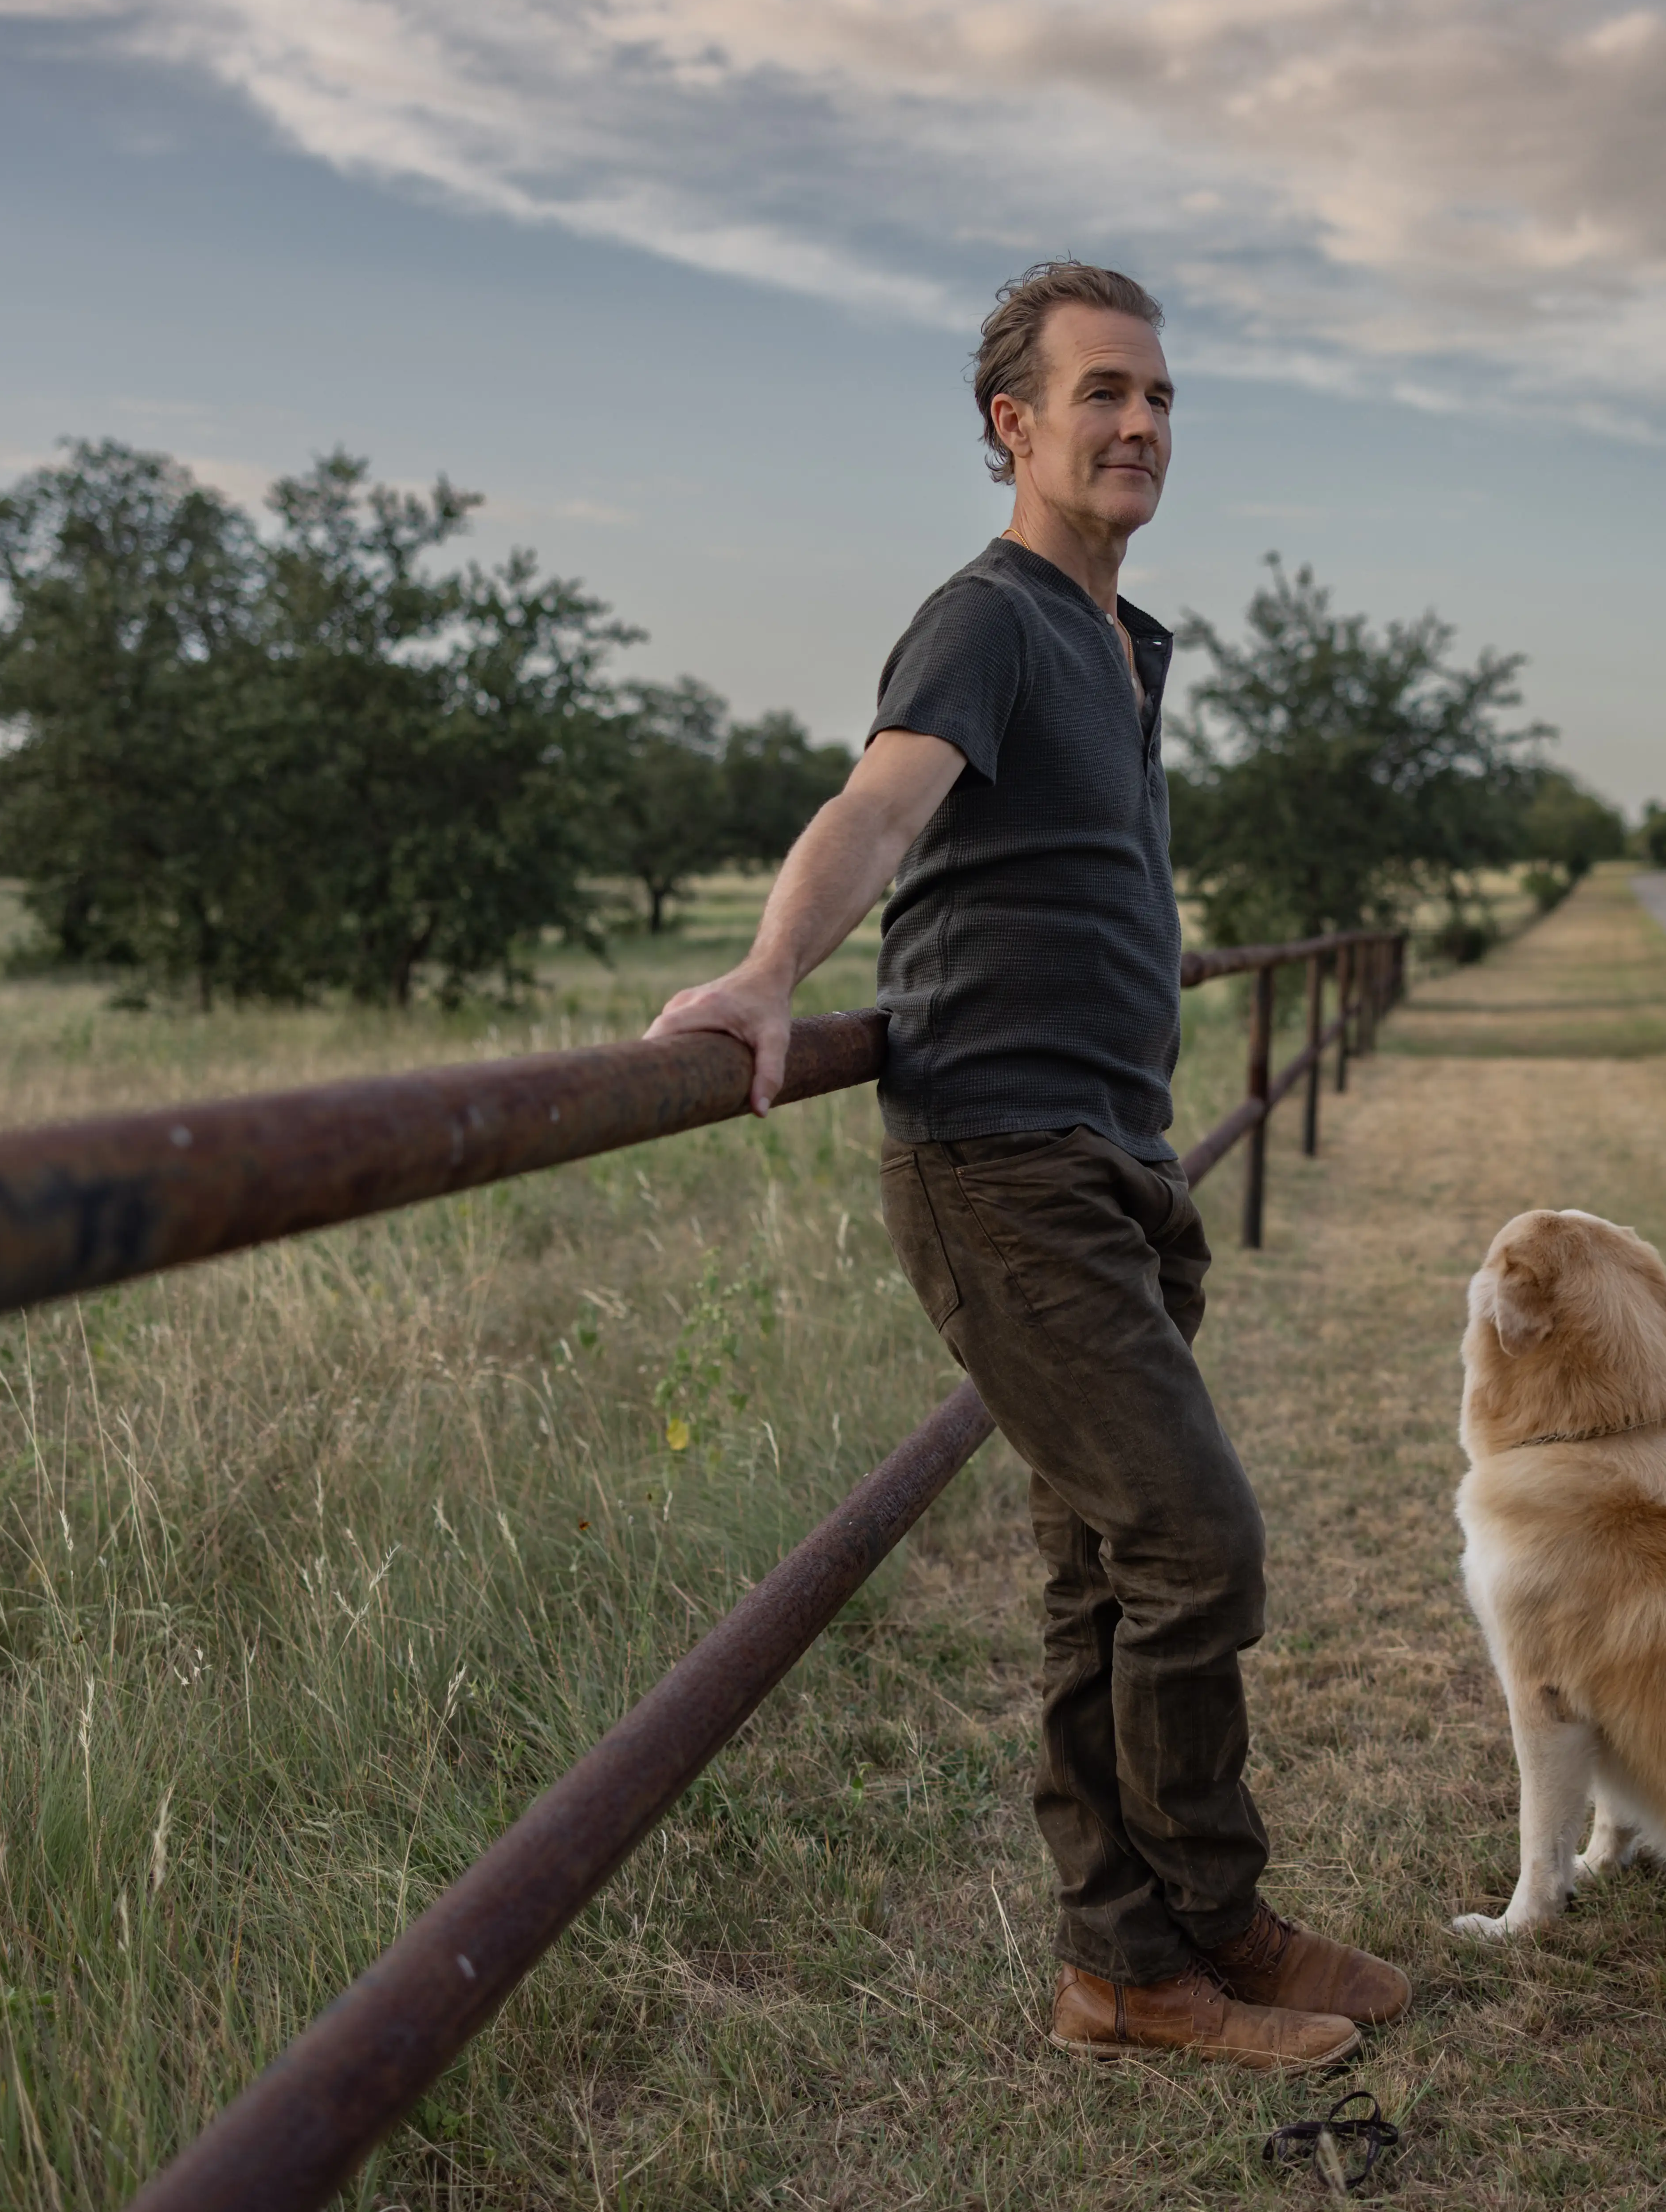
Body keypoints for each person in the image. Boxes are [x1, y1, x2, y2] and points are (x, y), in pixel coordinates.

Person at [648, 261, 1409, 2071]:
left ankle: (1134, 1960)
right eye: (1100, 395)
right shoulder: (983, 618)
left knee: (1102, 1568)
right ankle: (1188, 1926)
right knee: (1191, 1537)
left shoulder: (1125, 645)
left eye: (1157, 397)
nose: (1138, 424)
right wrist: (769, 978)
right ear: (1014, 424)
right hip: (998, 1160)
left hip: (1111, 1156)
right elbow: (882, 804)